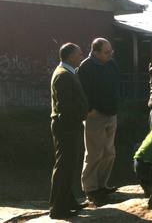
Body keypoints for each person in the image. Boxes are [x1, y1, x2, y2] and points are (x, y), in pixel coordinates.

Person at [77, 38, 120, 206]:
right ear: (95, 52)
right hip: (95, 115)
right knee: (94, 153)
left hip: (111, 112)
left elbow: (117, 83)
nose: (110, 54)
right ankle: (91, 189)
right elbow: (82, 91)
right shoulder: (86, 67)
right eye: (107, 52)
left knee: (109, 151)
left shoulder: (111, 64)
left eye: (111, 51)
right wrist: (91, 109)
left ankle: (102, 185)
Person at [49, 43, 88, 219]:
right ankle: (58, 209)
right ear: (70, 56)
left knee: (68, 166)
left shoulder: (66, 72)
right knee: (64, 166)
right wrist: (82, 113)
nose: (82, 56)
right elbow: (65, 106)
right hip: (67, 126)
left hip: (68, 124)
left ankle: (67, 201)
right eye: (79, 54)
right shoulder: (64, 75)